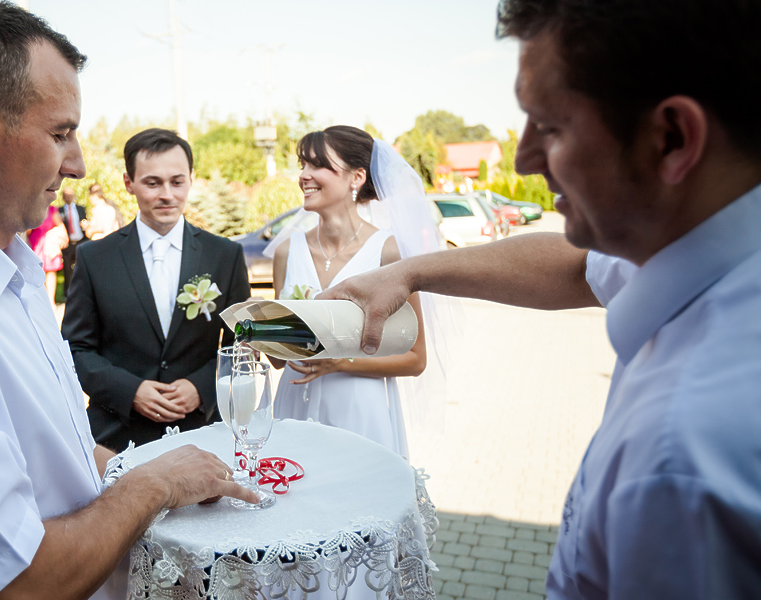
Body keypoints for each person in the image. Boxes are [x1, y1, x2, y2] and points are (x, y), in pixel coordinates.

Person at [324, 0, 761, 597]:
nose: (525, 159)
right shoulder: (697, 250)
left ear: (672, 137)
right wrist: (410, 273)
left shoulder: (678, 459)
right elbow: (576, 268)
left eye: (550, 127)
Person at [0, 3, 255, 600]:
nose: (77, 164)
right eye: (60, 133)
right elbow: (16, 582)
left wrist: (153, 469)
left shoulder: (9, 270)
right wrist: (155, 486)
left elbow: (57, 452)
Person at [61, 128, 252, 452]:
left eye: (177, 182)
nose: (167, 194)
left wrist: (202, 386)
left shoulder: (225, 255)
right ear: (128, 183)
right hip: (117, 436)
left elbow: (243, 343)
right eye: (153, 183)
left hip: (204, 432)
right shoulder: (95, 258)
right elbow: (74, 349)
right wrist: (130, 391)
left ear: (191, 179)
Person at [269, 126, 430, 459]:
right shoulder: (287, 251)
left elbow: (416, 359)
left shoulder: (389, 252)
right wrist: (258, 330)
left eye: (318, 166)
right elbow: (279, 360)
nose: (304, 176)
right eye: (302, 165)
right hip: (293, 407)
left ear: (357, 177)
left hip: (357, 410)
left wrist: (341, 362)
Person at [59, 186, 87, 298]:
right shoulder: (60, 210)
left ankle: (83, 291)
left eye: (71, 194)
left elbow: (85, 222)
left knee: (82, 268)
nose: (69, 197)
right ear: (63, 197)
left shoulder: (81, 208)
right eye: (66, 195)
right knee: (67, 269)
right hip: (68, 243)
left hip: (81, 241)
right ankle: (68, 293)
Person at [39, 207, 69, 306]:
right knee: (38, 271)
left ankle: (51, 301)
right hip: (36, 242)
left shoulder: (52, 210)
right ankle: (41, 301)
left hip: (49, 244)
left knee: (51, 271)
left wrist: (63, 238)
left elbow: (60, 226)